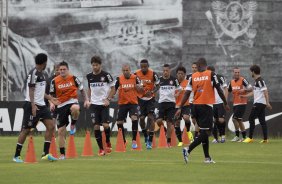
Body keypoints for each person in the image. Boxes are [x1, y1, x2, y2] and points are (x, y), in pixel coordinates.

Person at [176, 58, 229, 164]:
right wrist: (225, 102)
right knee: (207, 132)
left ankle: (207, 158)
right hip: (206, 106)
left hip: (195, 106)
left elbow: (187, 93)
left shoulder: (193, 77)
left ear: (199, 65)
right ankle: (188, 149)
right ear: (205, 65)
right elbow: (219, 89)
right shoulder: (211, 74)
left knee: (204, 131)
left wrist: (180, 107)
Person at [13, 53, 59, 163]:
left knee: (51, 126)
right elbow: (31, 90)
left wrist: (50, 98)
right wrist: (33, 105)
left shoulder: (43, 74)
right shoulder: (33, 73)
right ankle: (16, 156)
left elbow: (41, 92)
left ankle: (45, 153)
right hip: (31, 105)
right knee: (26, 130)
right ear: (44, 63)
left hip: (42, 106)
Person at [49, 61, 88, 159]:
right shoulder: (54, 81)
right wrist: (51, 103)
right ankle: (62, 154)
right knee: (61, 131)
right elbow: (51, 96)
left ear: (68, 70)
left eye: (64, 69)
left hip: (72, 101)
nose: (62, 71)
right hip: (61, 105)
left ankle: (73, 124)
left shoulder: (73, 78)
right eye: (60, 69)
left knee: (75, 108)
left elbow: (82, 90)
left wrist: (86, 100)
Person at [85, 56, 116, 156]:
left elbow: (113, 89)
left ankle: (107, 141)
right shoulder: (89, 76)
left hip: (104, 104)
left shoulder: (106, 75)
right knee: (96, 127)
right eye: (93, 65)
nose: (94, 67)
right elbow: (89, 89)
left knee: (106, 125)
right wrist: (88, 100)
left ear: (100, 65)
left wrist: (108, 99)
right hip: (94, 105)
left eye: (96, 65)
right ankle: (101, 149)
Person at [114, 63, 142, 149]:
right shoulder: (119, 79)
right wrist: (109, 97)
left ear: (130, 70)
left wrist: (139, 87)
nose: (125, 72)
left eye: (127, 70)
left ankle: (134, 140)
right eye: (124, 70)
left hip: (133, 103)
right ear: (122, 71)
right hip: (122, 103)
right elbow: (114, 90)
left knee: (134, 118)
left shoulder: (135, 78)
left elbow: (141, 89)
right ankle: (123, 140)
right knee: (119, 122)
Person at [241, 65, 272, 143]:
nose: (250, 73)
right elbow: (253, 93)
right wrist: (244, 95)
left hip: (259, 103)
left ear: (253, 72)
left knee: (251, 118)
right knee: (262, 121)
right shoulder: (257, 81)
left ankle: (250, 138)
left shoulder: (260, 81)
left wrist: (267, 103)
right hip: (261, 103)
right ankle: (265, 139)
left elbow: (266, 91)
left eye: (251, 71)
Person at [134, 59, 160, 149]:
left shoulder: (153, 74)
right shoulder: (136, 74)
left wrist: (152, 91)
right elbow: (133, 85)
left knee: (150, 118)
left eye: (145, 66)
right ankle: (145, 135)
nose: (143, 68)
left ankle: (150, 141)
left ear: (148, 66)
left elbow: (158, 85)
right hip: (140, 100)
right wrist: (138, 88)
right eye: (142, 67)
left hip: (150, 99)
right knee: (141, 119)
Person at [155, 64, 181, 147]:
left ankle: (168, 142)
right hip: (161, 103)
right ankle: (165, 131)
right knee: (159, 121)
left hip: (171, 103)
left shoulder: (174, 80)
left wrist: (177, 94)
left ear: (169, 71)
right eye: (164, 71)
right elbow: (156, 88)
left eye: (167, 71)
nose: (165, 72)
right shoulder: (159, 80)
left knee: (169, 123)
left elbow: (179, 89)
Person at [226, 67, 252, 142]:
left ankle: (240, 136)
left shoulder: (243, 80)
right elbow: (227, 90)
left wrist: (245, 90)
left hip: (242, 103)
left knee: (235, 119)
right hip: (235, 104)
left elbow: (251, 89)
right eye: (235, 72)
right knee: (238, 120)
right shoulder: (231, 82)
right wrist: (226, 100)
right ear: (233, 73)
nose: (237, 74)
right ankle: (242, 136)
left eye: (238, 72)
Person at [207, 66, 228, 143]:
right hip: (211, 103)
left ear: (212, 72)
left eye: (208, 72)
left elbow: (226, 89)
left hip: (220, 102)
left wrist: (224, 101)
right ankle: (216, 138)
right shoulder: (207, 79)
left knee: (221, 120)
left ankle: (223, 135)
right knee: (214, 121)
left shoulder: (220, 77)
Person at [174, 66, 192, 147]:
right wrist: (175, 94)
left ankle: (188, 131)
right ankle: (180, 141)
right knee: (177, 123)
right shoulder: (174, 83)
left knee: (186, 118)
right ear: (176, 74)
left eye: (182, 74)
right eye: (178, 73)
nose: (180, 75)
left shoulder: (188, 82)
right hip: (176, 106)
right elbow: (171, 95)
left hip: (186, 105)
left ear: (184, 74)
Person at [186, 62, 198, 140]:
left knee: (198, 119)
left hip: (198, 101)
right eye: (193, 67)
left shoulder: (200, 76)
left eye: (195, 67)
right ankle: (197, 134)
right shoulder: (188, 77)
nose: (194, 69)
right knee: (193, 119)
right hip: (190, 101)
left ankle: (197, 136)